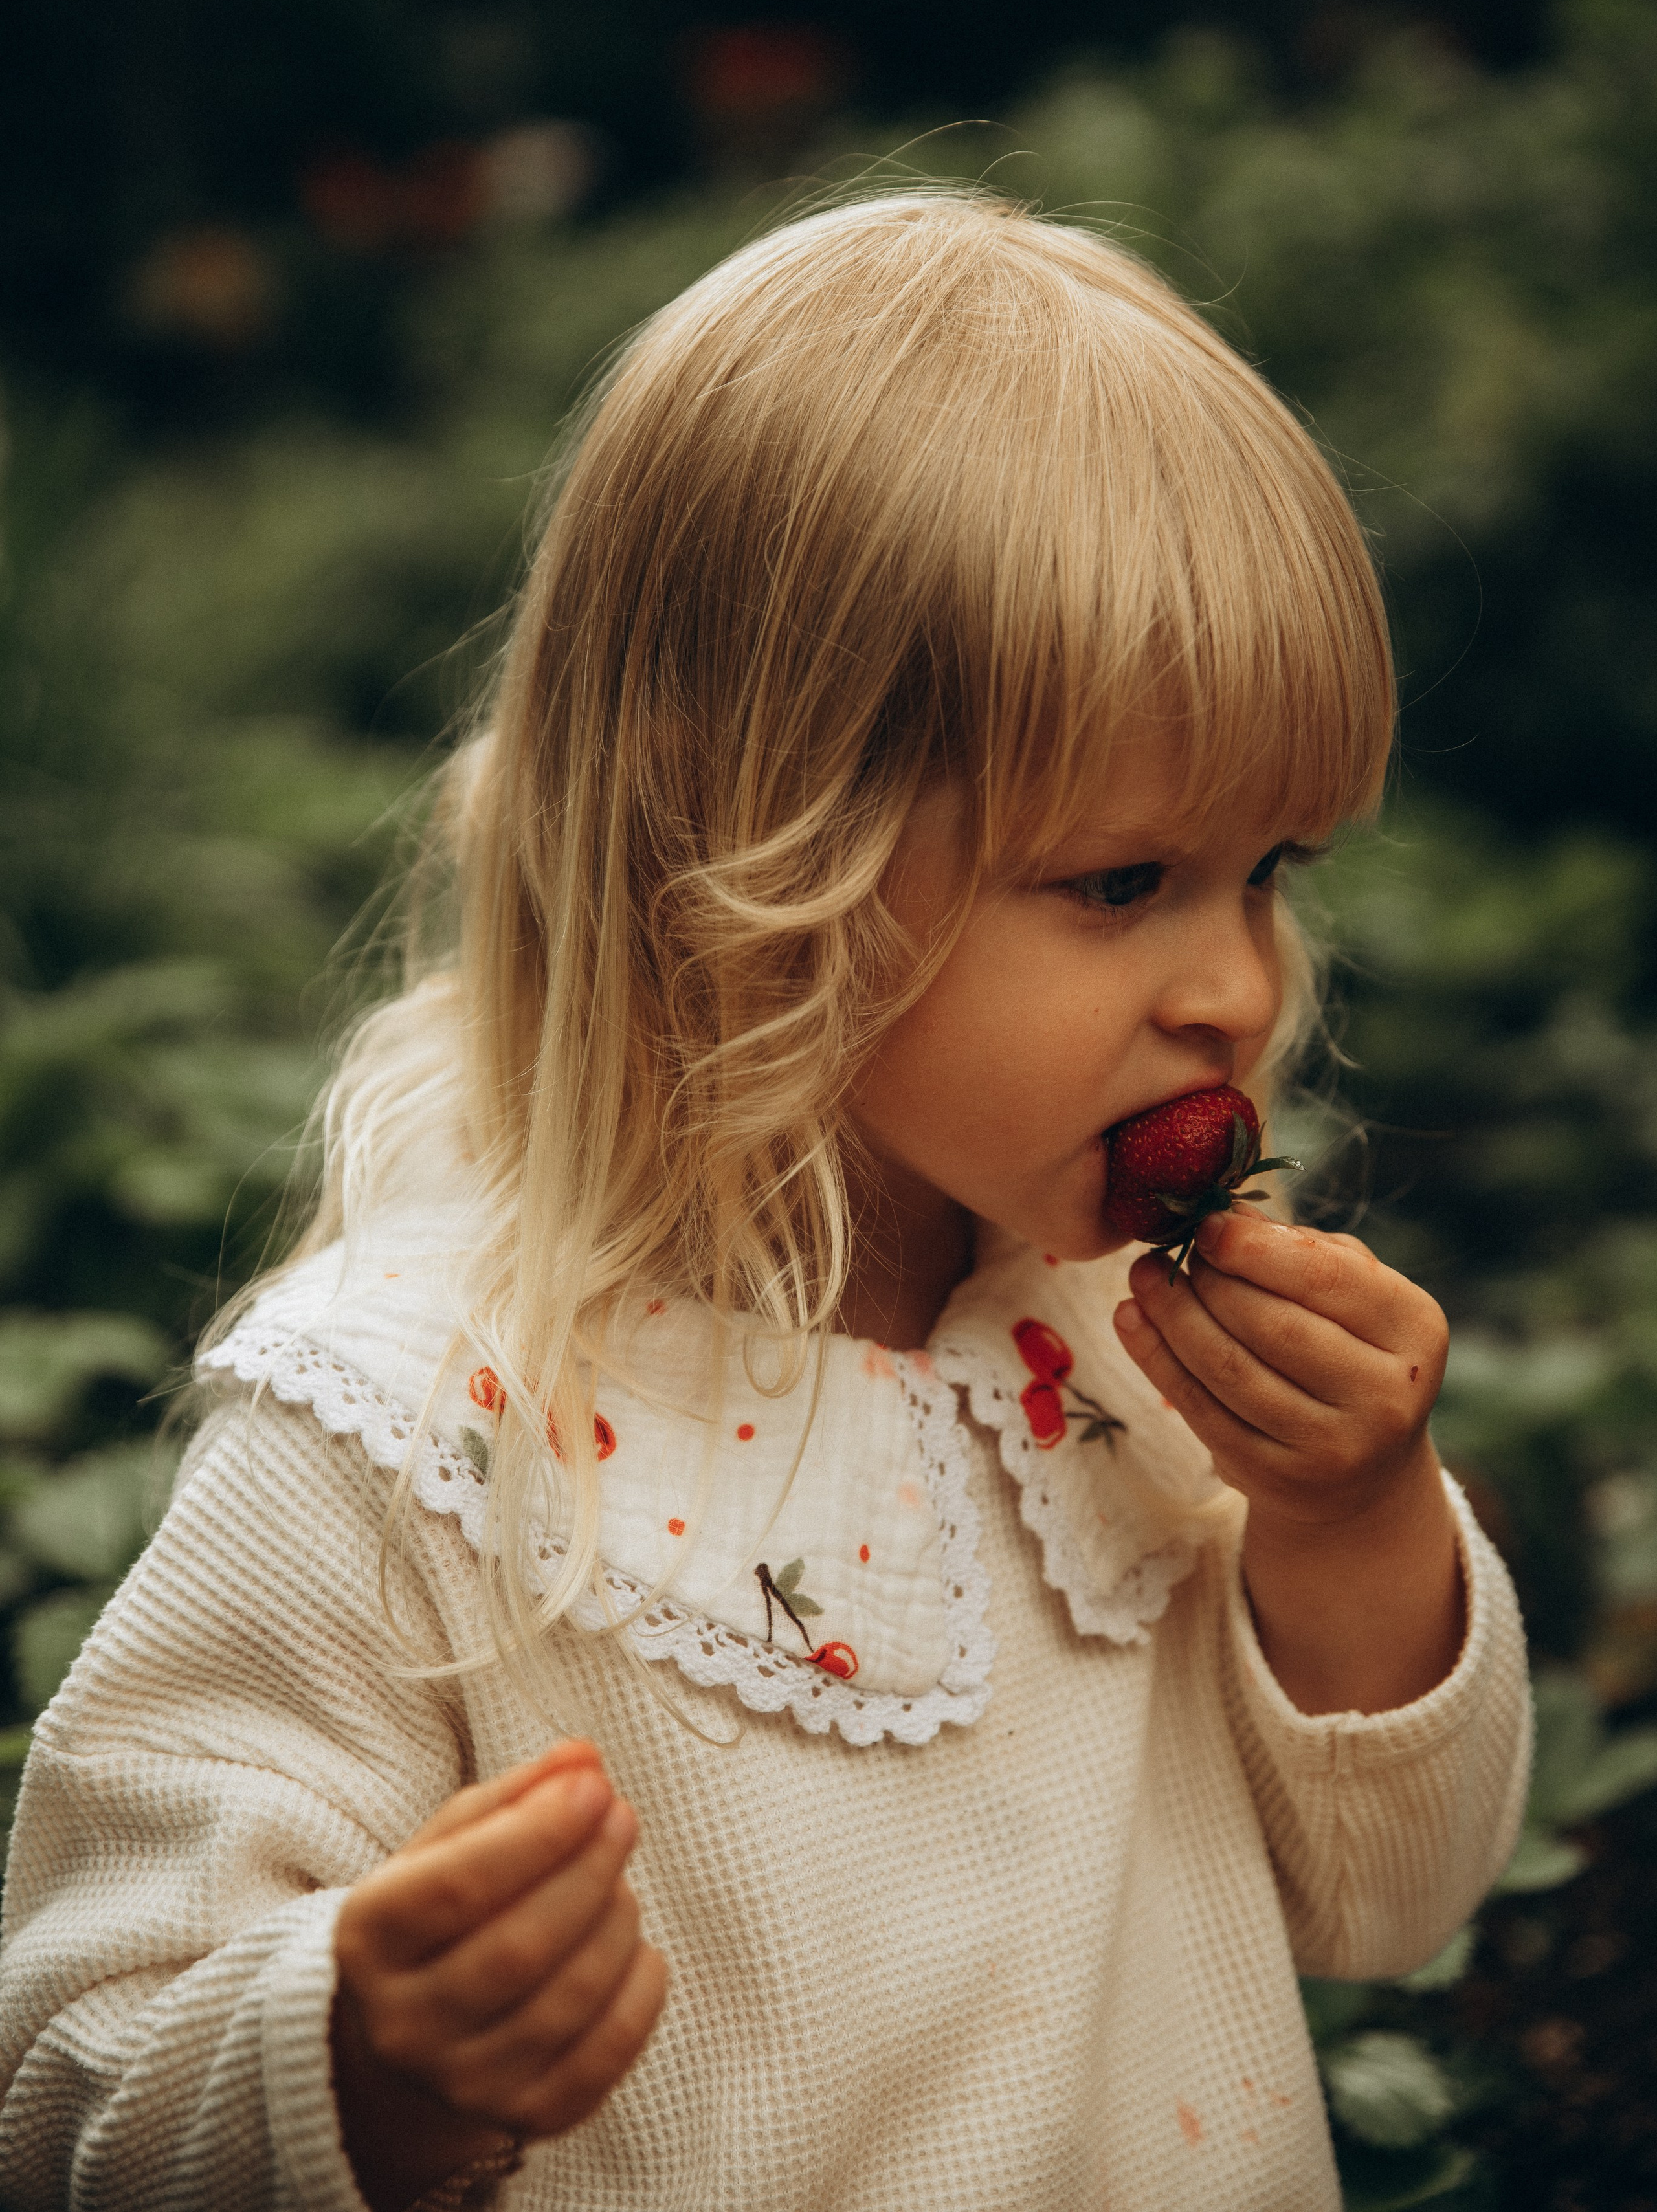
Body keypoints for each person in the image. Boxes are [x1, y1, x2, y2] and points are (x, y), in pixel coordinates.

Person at [0, 194, 1529, 2212]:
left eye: (1273, 869)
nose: (1236, 984)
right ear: (756, 853)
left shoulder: (1123, 1361)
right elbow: (74, 2087)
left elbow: (1391, 1899)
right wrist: (363, 2055)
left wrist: (1354, 1526)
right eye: (1121, 882)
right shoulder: (413, 1431)